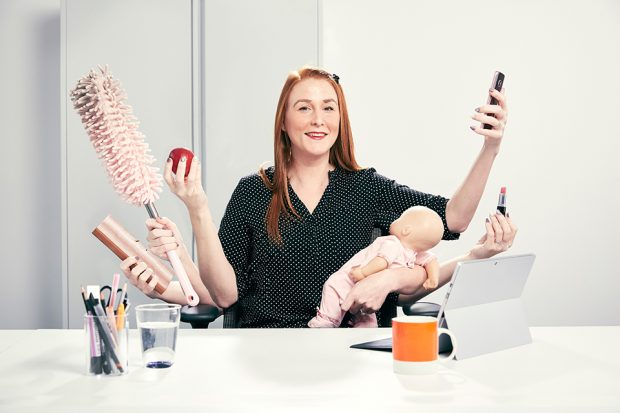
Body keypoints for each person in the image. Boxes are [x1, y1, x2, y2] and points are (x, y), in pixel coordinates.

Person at [120, 67, 516, 328]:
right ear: (284, 122)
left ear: (340, 121)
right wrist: (197, 208)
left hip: (352, 355)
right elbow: (223, 294)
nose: (318, 119)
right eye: (304, 107)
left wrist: (490, 149)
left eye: (329, 108)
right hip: (266, 354)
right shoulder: (253, 191)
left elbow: (453, 219)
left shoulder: (367, 188)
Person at [308, 206, 444, 328]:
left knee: (332, 286)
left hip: (352, 279)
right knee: (365, 309)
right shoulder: (412, 253)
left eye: (399, 219)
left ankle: (326, 321)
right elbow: (431, 260)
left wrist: (363, 272)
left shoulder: (392, 243)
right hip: (370, 290)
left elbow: (382, 261)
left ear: (406, 230)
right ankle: (366, 327)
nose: (394, 221)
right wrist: (433, 278)